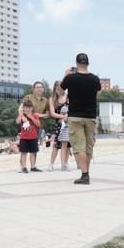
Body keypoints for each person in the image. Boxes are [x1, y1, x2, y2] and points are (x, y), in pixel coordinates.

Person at [60, 53, 101, 185]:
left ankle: (85, 175)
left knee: (79, 147)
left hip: (75, 116)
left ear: (76, 64)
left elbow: (60, 92)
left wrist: (66, 75)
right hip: (91, 117)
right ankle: (86, 173)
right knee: (88, 147)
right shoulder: (95, 79)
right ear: (88, 63)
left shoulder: (71, 78)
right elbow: (98, 90)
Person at [47, 82, 71, 171]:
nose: (60, 88)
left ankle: (65, 163)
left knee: (68, 145)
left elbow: (72, 109)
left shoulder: (68, 96)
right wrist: (62, 117)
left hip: (68, 123)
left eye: (61, 86)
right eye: (57, 86)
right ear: (55, 88)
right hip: (59, 124)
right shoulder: (52, 99)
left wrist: (67, 117)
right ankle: (51, 164)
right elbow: (53, 113)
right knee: (56, 145)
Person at [15, 97, 41, 173]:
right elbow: (17, 122)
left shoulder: (35, 115)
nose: (27, 109)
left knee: (33, 152)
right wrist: (21, 115)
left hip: (33, 137)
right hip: (24, 138)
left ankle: (33, 167)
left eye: (29, 107)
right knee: (24, 153)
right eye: (25, 107)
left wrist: (31, 117)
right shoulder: (22, 115)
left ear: (32, 108)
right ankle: (23, 167)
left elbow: (38, 124)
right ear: (23, 108)